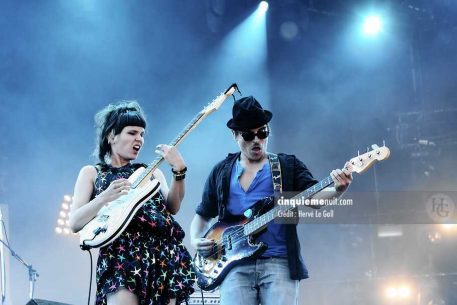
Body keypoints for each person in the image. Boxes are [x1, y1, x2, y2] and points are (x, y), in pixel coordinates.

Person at [190, 96, 353, 305]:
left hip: (279, 262)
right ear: (235, 135)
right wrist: (196, 240)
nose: (256, 139)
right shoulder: (222, 170)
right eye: (248, 135)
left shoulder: (287, 165)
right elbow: (203, 214)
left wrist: (339, 188)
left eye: (262, 132)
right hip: (233, 266)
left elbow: (314, 199)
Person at [69, 101, 194, 305]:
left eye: (142, 134)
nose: (139, 139)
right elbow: (74, 222)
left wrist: (179, 172)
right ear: (111, 136)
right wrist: (103, 197)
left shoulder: (151, 171)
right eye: (132, 132)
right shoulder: (92, 173)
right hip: (122, 258)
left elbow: (173, 207)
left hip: (162, 255)